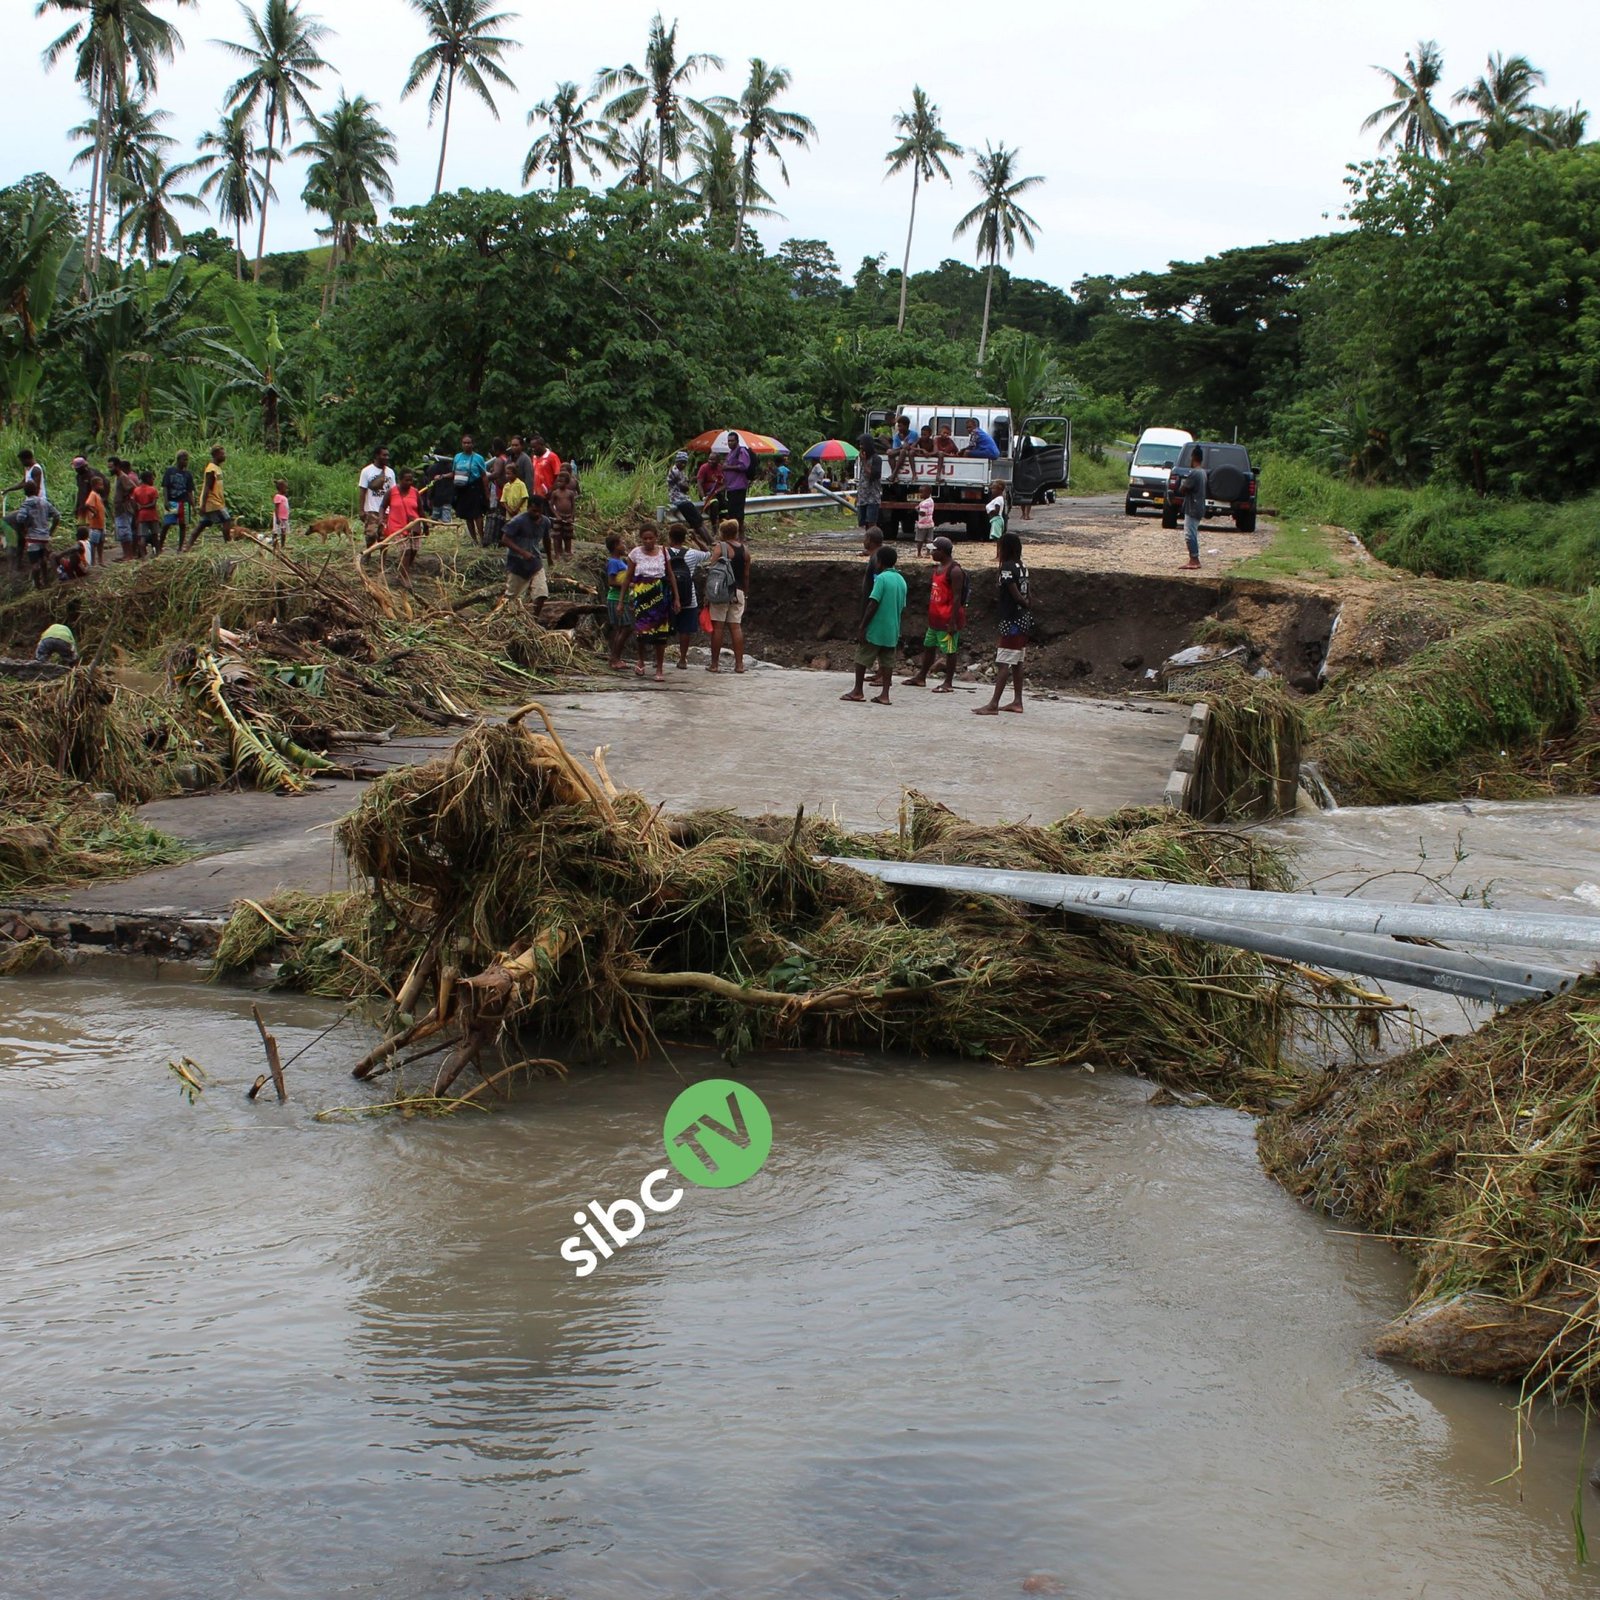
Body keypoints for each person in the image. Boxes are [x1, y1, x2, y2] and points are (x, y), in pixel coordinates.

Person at [841, 543, 906, 706]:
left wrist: (863, 626)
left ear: (880, 562)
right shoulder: (901, 580)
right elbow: (902, 606)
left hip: (876, 627)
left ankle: (857, 691)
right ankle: (885, 695)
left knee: (862, 657)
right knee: (887, 661)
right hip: (892, 629)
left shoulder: (881, 579)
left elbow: (873, 603)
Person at [975, 531, 1032, 716]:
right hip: (1023, 619)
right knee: (1017, 661)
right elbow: (1027, 592)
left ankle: (993, 704)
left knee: (1004, 661)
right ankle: (1017, 701)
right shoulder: (1022, 566)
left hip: (1012, 620)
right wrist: (1027, 605)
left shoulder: (1007, 568)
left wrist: (1022, 603)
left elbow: (1015, 594)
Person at [905, 537, 968, 692]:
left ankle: (948, 682)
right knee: (929, 646)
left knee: (949, 650)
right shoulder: (939, 568)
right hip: (935, 619)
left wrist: (952, 621)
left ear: (942, 552)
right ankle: (921, 676)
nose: (931, 552)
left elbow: (957, 597)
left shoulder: (954, 571)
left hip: (947, 619)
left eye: (934, 550)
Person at [623, 522, 679, 682]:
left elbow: (670, 575)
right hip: (641, 598)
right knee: (642, 631)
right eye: (645, 539)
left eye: (651, 538)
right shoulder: (635, 554)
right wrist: (623, 600)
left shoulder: (663, 552)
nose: (648, 541)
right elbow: (627, 578)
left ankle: (660, 668)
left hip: (660, 597)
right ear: (641, 538)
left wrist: (676, 598)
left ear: (656, 538)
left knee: (661, 634)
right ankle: (640, 660)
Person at [705, 517, 750, 674]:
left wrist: (707, 594)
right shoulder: (745, 550)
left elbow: (712, 572)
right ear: (736, 532)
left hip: (721, 591)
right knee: (736, 627)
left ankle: (715, 664)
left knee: (718, 627)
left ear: (722, 533)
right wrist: (745, 592)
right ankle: (739, 665)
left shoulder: (720, 548)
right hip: (738, 592)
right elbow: (746, 575)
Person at [666, 522, 709, 669]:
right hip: (689, 598)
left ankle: (658, 657)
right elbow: (708, 553)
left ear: (670, 537)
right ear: (684, 538)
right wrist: (697, 540)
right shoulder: (692, 554)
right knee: (685, 630)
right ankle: (683, 659)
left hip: (667, 596)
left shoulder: (664, 553)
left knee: (662, 626)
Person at [499, 496, 550, 615]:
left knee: (541, 593)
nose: (536, 514)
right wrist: (522, 552)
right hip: (517, 563)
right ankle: (508, 618)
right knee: (511, 597)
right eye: (533, 511)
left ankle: (534, 619)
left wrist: (550, 557)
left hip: (535, 563)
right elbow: (505, 539)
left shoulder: (546, 522)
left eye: (539, 511)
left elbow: (547, 539)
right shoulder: (518, 521)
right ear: (528, 508)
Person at [377, 466, 424, 586]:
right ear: (400, 480)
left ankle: (402, 571)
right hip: (397, 526)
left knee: (414, 550)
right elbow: (382, 506)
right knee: (406, 551)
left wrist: (426, 525)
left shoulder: (415, 492)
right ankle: (404, 578)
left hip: (414, 525)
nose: (409, 483)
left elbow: (420, 510)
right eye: (406, 480)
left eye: (411, 480)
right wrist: (381, 519)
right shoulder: (392, 492)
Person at [9, 488, 61, 589]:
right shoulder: (44, 502)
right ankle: (46, 581)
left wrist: (26, 527)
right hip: (44, 537)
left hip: (32, 538)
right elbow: (57, 515)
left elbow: (20, 518)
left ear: (25, 493)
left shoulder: (26, 504)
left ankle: (38, 586)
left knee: (35, 563)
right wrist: (51, 530)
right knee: (43, 560)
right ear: (36, 491)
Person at [357, 446, 395, 548]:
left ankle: (383, 558)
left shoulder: (390, 472)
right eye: (384, 455)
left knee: (384, 537)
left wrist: (394, 510)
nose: (387, 457)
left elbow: (393, 492)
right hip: (371, 509)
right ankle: (367, 554)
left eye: (387, 455)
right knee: (371, 534)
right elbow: (362, 491)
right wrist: (361, 510)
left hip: (386, 510)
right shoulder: (366, 471)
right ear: (377, 456)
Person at [453, 433, 487, 543]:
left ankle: (482, 538)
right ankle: (474, 539)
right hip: (462, 489)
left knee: (477, 514)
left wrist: (486, 492)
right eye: (464, 443)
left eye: (469, 443)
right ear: (461, 444)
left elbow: (484, 475)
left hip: (475, 488)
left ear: (473, 444)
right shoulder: (457, 457)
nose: (467, 445)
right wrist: (442, 476)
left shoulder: (478, 458)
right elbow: (453, 473)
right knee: (467, 515)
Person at [604, 535, 632, 670]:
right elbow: (611, 581)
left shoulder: (621, 561)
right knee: (626, 627)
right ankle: (614, 658)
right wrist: (628, 585)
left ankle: (615, 658)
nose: (624, 545)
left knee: (621, 628)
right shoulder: (614, 562)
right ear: (615, 546)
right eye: (622, 543)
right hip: (615, 599)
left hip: (622, 599)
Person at [161, 450, 195, 552]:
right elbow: (165, 487)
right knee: (167, 524)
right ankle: (160, 545)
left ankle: (180, 547)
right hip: (172, 501)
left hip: (184, 502)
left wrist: (193, 505)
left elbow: (189, 491)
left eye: (187, 460)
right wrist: (166, 501)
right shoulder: (170, 471)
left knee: (183, 525)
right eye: (184, 460)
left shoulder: (188, 474)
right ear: (179, 460)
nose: (186, 462)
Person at [1178, 445, 1207, 570]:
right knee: (1192, 533)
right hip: (1199, 506)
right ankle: (1194, 558)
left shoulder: (1194, 473)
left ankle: (1194, 559)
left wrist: (1184, 484)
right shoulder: (1203, 472)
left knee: (1190, 534)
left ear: (1193, 457)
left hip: (1193, 507)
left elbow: (1182, 489)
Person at [719, 431, 754, 531]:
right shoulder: (730, 453)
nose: (730, 443)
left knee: (738, 512)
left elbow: (743, 466)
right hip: (730, 487)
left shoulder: (741, 451)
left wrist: (728, 467)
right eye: (728, 441)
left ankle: (740, 533)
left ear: (737, 441)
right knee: (732, 512)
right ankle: (734, 533)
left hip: (739, 486)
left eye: (732, 441)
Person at [197, 445, 232, 539]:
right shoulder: (211, 470)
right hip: (213, 501)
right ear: (216, 455)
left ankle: (188, 544)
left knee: (204, 523)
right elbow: (207, 487)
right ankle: (227, 541)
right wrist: (203, 505)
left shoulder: (216, 468)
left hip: (216, 501)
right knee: (226, 519)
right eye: (222, 454)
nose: (225, 456)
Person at [667, 451, 704, 535]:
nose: (683, 465)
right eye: (681, 462)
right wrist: (687, 483)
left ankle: (710, 540)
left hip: (683, 499)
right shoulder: (675, 471)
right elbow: (685, 487)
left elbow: (685, 485)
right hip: (678, 500)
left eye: (685, 463)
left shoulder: (681, 471)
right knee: (697, 522)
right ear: (677, 461)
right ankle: (709, 541)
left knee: (699, 520)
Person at [548, 469, 577, 560]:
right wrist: (556, 515)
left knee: (568, 535)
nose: (559, 483)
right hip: (558, 517)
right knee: (557, 536)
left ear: (567, 482)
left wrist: (571, 517)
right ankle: (558, 553)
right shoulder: (555, 493)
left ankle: (567, 551)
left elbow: (573, 506)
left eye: (562, 481)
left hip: (568, 517)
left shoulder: (570, 493)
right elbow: (551, 505)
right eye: (558, 481)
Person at [855, 437, 884, 530]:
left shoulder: (876, 459)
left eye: (863, 444)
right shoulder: (862, 458)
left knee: (871, 522)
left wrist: (863, 462)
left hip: (872, 497)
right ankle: (868, 539)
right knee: (863, 523)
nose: (861, 447)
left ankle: (873, 539)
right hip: (863, 496)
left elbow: (872, 475)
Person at [484, 439, 508, 550]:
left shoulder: (499, 460)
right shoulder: (506, 458)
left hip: (501, 490)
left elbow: (497, 474)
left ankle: (500, 539)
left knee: (500, 515)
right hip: (506, 489)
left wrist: (484, 478)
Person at [112, 458, 139, 556]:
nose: (110, 469)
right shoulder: (119, 477)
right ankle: (127, 554)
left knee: (125, 531)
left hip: (124, 508)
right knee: (123, 531)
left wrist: (126, 498)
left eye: (111, 467)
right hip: (120, 508)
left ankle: (129, 555)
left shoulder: (124, 477)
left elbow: (133, 489)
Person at [132, 469, 161, 558]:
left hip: (141, 515)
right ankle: (157, 553)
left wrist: (140, 509)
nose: (153, 480)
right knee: (155, 535)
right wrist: (145, 506)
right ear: (148, 479)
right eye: (152, 478)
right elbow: (153, 503)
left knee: (142, 536)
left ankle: (143, 556)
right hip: (152, 515)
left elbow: (134, 504)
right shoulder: (153, 490)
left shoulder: (136, 490)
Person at [81, 473, 107, 567]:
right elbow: (87, 504)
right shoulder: (93, 494)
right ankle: (94, 562)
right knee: (94, 544)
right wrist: (94, 513)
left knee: (101, 543)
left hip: (100, 524)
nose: (102, 486)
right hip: (95, 525)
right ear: (95, 485)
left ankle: (100, 560)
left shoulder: (97, 495)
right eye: (100, 485)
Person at [530, 434, 562, 501]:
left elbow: (559, 476)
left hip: (549, 495)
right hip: (537, 495)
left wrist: (551, 491)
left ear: (542, 445)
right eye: (531, 447)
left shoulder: (552, 457)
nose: (533, 449)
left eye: (534, 447)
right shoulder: (534, 457)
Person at [697, 452, 724, 524]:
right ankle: (714, 526)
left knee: (726, 506)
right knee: (714, 504)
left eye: (713, 460)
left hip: (718, 493)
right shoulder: (704, 468)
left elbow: (725, 484)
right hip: (707, 494)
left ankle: (722, 524)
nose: (710, 461)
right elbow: (699, 483)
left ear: (718, 460)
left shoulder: (720, 468)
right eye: (709, 459)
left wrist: (717, 491)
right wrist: (703, 497)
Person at [914, 491, 935, 557]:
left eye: (922, 492)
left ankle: (919, 553)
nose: (920, 494)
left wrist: (917, 509)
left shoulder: (924, 503)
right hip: (930, 523)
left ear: (927, 493)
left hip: (922, 524)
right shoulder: (931, 501)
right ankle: (928, 553)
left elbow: (922, 513)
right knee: (929, 540)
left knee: (920, 539)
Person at [272, 479, 291, 548]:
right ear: (281, 488)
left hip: (284, 518)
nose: (286, 489)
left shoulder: (284, 497)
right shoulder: (277, 496)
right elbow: (276, 508)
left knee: (283, 531)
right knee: (276, 531)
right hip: (279, 517)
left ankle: (283, 545)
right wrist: (277, 518)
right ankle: (274, 545)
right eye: (285, 488)